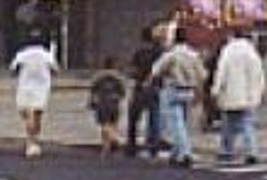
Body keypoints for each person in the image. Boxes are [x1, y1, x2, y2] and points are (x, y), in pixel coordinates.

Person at [151, 26, 208, 168]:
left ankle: (185, 152)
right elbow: (203, 75)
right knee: (183, 123)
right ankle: (175, 153)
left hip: (173, 89)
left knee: (176, 124)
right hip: (189, 90)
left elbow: (156, 70)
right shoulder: (193, 55)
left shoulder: (171, 55)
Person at [211, 25, 265, 165]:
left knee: (228, 124)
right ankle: (251, 151)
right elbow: (259, 75)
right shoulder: (252, 52)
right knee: (247, 124)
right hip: (248, 95)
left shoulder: (228, 51)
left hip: (230, 93)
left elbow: (221, 72)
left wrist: (216, 90)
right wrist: (258, 91)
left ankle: (226, 150)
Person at [11, 35, 59, 158]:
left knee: (28, 115)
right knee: (37, 116)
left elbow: (13, 69)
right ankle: (35, 141)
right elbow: (55, 69)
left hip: (25, 87)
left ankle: (30, 142)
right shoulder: (46, 54)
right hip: (42, 88)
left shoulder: (22, 54)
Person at [125, 26, 164, 158]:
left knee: (133, 118)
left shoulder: (138, 52)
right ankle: (154, 145)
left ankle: (131, 145)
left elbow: (132, 70)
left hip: (140, 87)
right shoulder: (159, 52)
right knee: (154, 118)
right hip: (154, 87)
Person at [89, 56, 128, 156]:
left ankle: (107, 144)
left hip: (102, 102)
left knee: (104, 125)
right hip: (114, 102)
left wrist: (92, 101)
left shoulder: (98, 76)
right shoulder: (118, 76)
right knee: (113, 124)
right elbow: (123, 92)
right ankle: (111, 141)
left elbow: (93, 90)